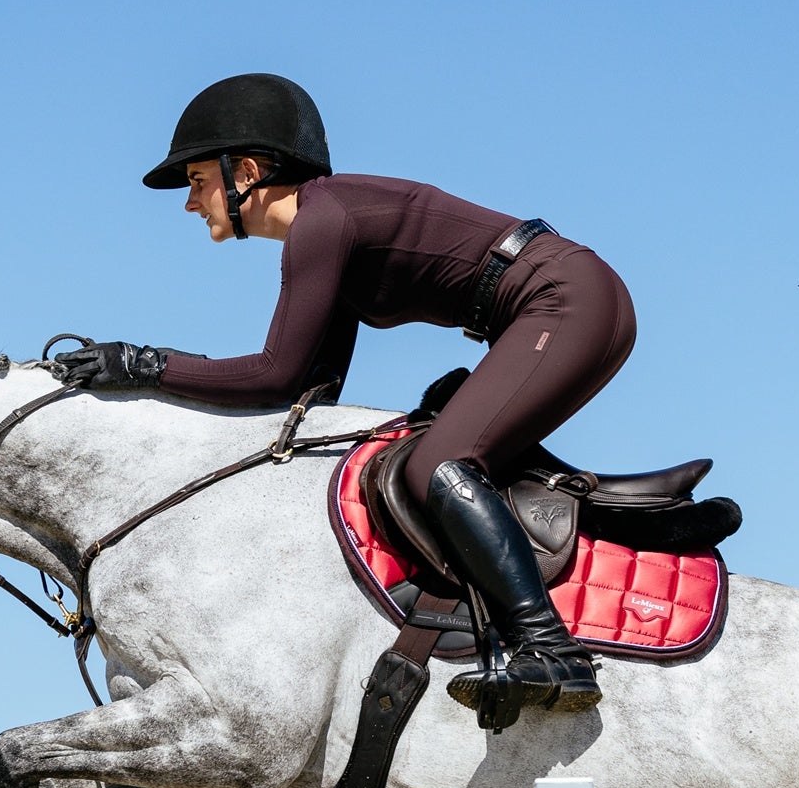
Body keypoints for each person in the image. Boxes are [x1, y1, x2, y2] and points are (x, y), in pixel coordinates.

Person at [54, 72, 636, 720]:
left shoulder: (321, 222)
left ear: (245, 170)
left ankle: (549, 646)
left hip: (565, 301)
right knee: (426, 444)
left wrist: (143, 364)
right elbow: (308, 390)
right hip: (568, 301)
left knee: (436, 465)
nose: (191, 204)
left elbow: (273, 373)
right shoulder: (330, 225)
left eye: (196, 182)